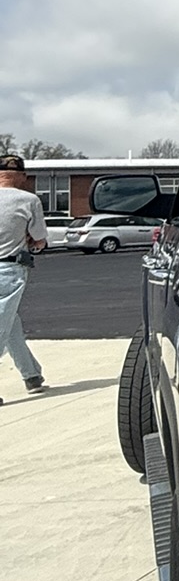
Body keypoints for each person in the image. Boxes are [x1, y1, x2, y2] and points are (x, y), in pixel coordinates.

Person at [0, 154, 48, 400]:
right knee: (1, 326)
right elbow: (39, 238)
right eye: (25, 175)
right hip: (9, 270)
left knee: (10, 325)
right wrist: (34, 243)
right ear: (18, 175)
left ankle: (31, 376)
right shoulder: (28, 200)